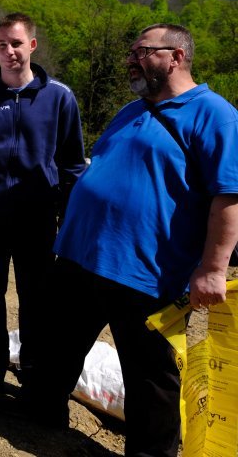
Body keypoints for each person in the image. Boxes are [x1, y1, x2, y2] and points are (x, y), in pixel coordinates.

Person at [21, 24, 238, 456]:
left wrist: (213, 269)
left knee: (150, 376)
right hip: (82, 256)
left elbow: (228, 196)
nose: (130, 59)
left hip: (146, 271)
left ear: (175, 57)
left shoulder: (215, 114)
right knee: (56, 345)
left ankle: (150, 453)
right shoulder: (130, 110)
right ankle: (41, 414)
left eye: (141, 51)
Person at [0, 13, 86, 398]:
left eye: (17, 44)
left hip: (37, 216)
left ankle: (34, 375)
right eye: (2, 44)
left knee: (36, 299)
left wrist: (68, 217)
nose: (9, 52)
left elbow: (72, 163)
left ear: (32, 46)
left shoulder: (59, 96)